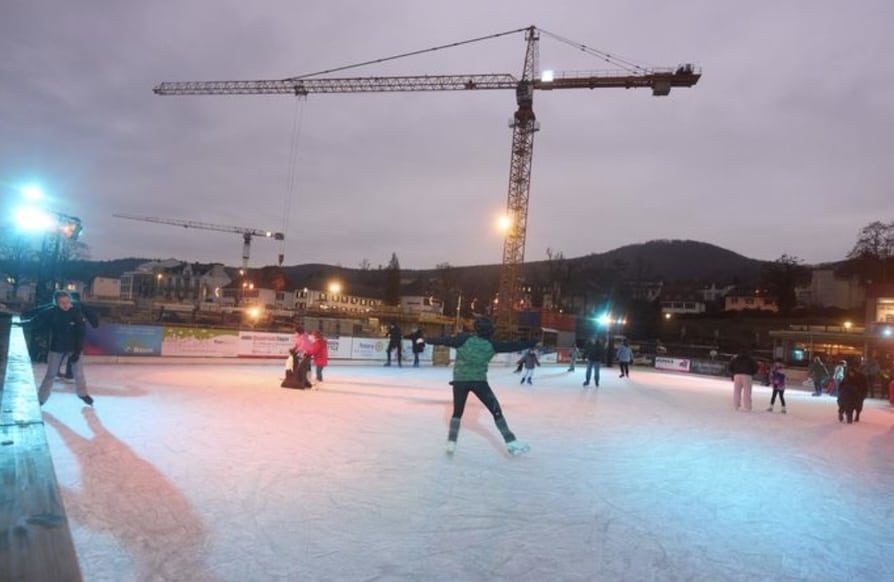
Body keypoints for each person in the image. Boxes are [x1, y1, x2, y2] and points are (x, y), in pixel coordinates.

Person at [425, 317, 535, 456]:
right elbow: (513, 346)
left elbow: (444, 340)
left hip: (460, 381)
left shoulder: (464, 340)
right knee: (496, 410)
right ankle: (511, 441)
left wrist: (426, 340)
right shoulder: (492, 345)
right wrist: (532, 342)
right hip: (479, 381)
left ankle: (451, 443)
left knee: (457, 412)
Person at [20, 290, 96, 406]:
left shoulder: (76, 313)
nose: (66, 305)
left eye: (67, 302)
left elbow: (81, 334)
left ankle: (82, 394)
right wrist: (20, 324)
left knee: (79, 374)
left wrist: (77, 352)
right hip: (57, 347)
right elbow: (35, 321)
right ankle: (41, 399)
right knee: (50, 374)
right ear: (56, 303)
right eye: (62, 303)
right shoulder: (51, 312)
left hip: (74, 347)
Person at [728, 347, 758, 411]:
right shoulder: (750, 359)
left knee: (737, 391)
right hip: (747, 375)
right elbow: (756, 367)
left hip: (737, 375)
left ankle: (736, 405)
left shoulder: (735, 359)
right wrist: (752, 373)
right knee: (747, 392)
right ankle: (747, 406)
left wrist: (734, 373)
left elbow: (730, 367)